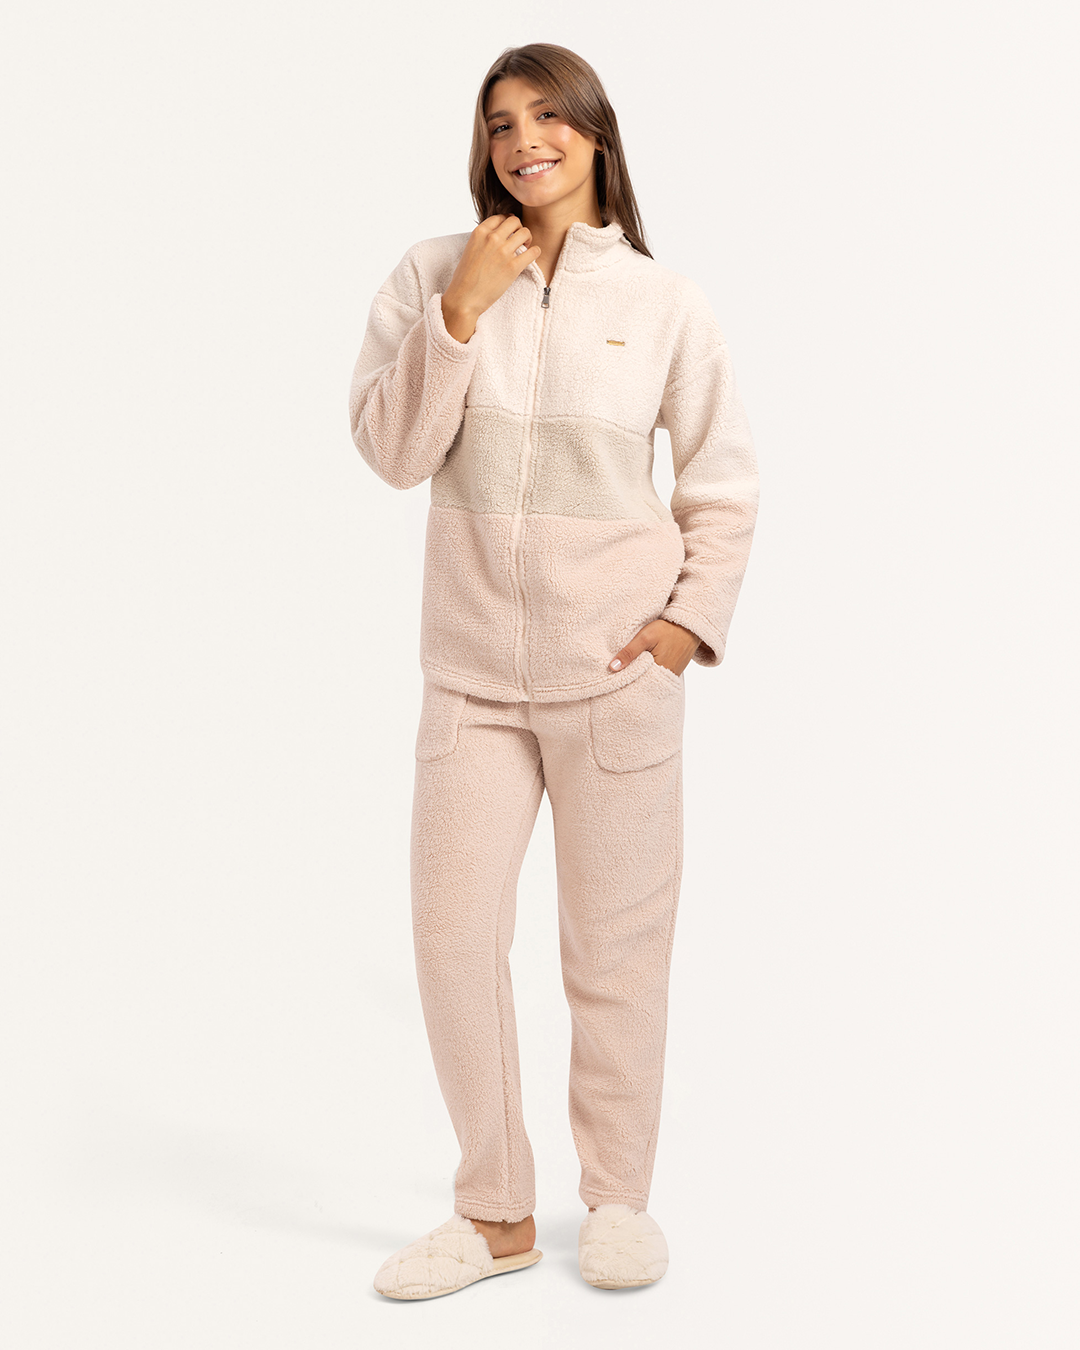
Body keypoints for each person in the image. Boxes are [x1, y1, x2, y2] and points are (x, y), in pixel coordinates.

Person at [349, 42, 759, 1299]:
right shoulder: (432, 273)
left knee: (617, 953)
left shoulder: (667, 302)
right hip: (472, 678)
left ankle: (619, 1199)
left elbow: (723, 481)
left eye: (547, 117)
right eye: (500, 123)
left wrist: (685, 625)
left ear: (594, 133)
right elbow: (392, 452)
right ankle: (496, 1214)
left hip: (616, 675)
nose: (524, 140)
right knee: (451, 940)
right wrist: (459, 314)